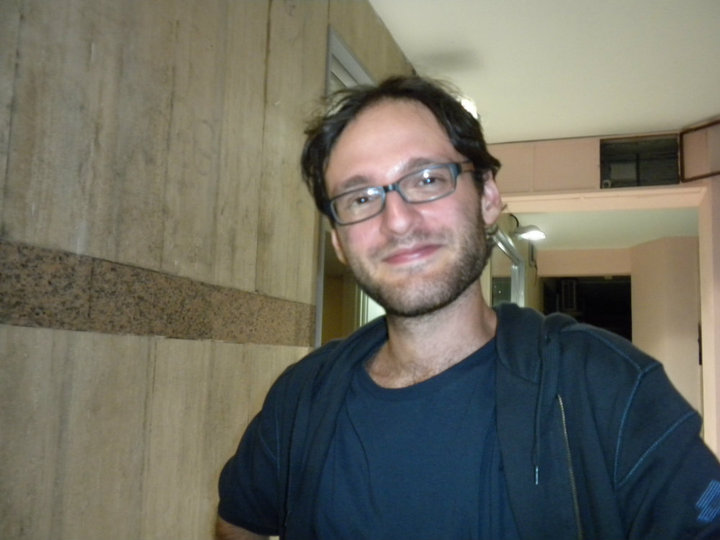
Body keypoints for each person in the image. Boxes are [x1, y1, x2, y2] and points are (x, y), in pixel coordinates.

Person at [215, 75, 720, 540]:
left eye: (427, 179)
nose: (397, 220)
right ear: (339, 243)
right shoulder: (303, 396)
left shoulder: (606, 385)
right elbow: (236, 525)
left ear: (487, 197)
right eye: (361, 198)